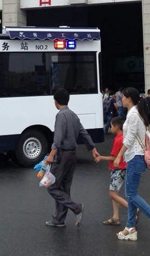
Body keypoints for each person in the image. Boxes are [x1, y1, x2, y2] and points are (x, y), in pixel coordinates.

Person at [114, 87, 150, 241]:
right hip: (134, 157)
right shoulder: (134, 113)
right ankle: (130, 227)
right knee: (131, 194)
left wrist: (118, 156)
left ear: (129, 99)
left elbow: (129, 139)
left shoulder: (133, 115)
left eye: (123, 97)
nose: (121, 99)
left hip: (135, 157)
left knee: (131, 194)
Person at [44, 89, 100, 228]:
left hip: (62, 155)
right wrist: (92, 148)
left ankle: (76, 207)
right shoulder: (73, 115)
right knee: (64, 187)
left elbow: (58, 137)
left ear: (55, 101)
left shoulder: (60, 116)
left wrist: (51, 154)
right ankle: (59, 220)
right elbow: (83, 133)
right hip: (73, 155)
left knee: (52, 186)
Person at [95, 117, 127, 226]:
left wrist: (100, 157)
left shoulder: (118, 139)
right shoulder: (124, 137)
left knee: (112, 194)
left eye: (111, 126)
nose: (110, 128)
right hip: (123, 167)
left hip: (117, 168)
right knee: (115, 193)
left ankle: (133, 209)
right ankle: (115, 217)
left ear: (117, 127)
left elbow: (114, 157)